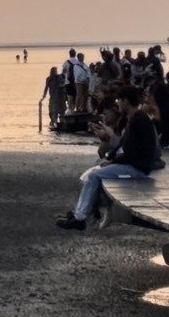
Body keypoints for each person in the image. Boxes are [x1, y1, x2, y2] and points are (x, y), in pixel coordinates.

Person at [57, 87, 158, 231]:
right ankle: (80, 213)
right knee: (93, 171)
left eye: (119, 100)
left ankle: (81, 217)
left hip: (137, 169)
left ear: (126, 101)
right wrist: (109, 157)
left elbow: (132, 152)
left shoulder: (139, 120)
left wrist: (112, 161)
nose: (118, 104)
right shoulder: (135, 118)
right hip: (132, 165)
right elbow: (123, 145)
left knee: (94, 176)